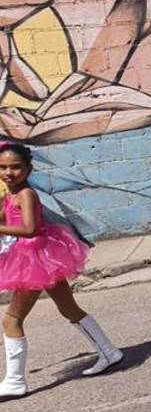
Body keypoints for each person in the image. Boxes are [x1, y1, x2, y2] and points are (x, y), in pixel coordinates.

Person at [0, 142, 123, 398]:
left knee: (11, 319)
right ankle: (109, 352)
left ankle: (14, 382)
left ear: (28, 169)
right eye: (3, 167)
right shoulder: (12, 194)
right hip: (40, 258)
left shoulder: (26, 194)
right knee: (68, 308)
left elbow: (30, 229)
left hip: (33, 258)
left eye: (15, 167)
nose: (9, 172)